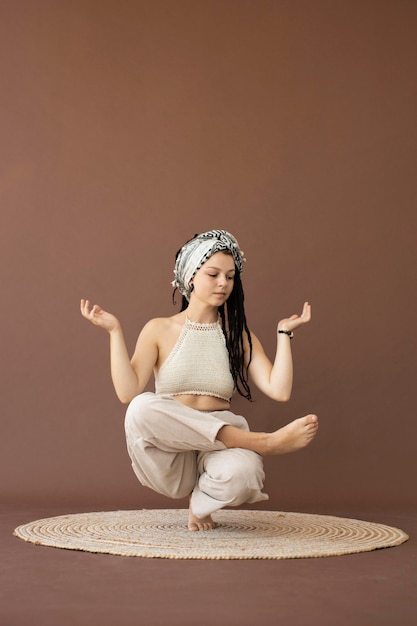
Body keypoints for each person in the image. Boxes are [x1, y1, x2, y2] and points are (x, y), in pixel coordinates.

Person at [80, 229, 318, 531]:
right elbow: (127, 392)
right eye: (213, 274)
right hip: (169, 455)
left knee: (246, 474)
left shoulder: (237, 337)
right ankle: (264, 442)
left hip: (217, 451)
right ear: (191, 276)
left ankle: (201, 505)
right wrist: (115, 332)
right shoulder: (158, 329)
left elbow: (279, 390)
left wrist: (284, 333)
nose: (223, 283)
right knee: (140, 408)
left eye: (230, 277)